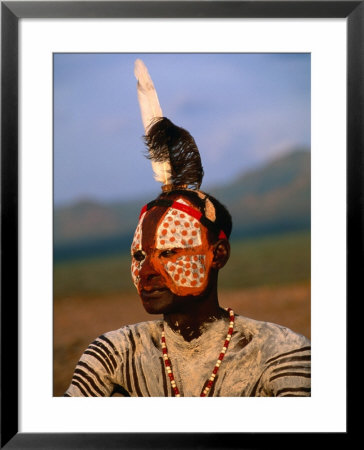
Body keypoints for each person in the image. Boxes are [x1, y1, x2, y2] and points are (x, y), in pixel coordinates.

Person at [64, 60, 310, 397]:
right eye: (139, 255)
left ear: (218, 254)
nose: (146, 271)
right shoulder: (114, 355)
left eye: (169, 252)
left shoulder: (279, 352)